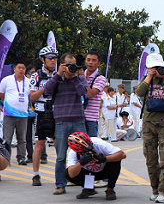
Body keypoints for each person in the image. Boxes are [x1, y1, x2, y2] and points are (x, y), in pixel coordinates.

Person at [135, 53, 164, 203]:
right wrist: (149, 76)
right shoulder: (146, 79)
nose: (156, 70)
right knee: (150, 157)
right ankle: (154, 189)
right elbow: (139, 93)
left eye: (158, 67)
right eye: (153, 67)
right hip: (148, 122)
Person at [43, 53, 88, 195]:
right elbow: (47, 90)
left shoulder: (80, 78)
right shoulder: (56, 79)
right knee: (61, 156)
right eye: (68, 65)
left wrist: (74, 77)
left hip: (78, 120)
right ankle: (60, 185)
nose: (71, 68)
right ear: (62, 65)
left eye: (73, 65)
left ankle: (87, 185)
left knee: (85, 154)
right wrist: (58, 74)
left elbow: (83, 92)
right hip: (61, 121)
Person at [65, 131, 126, 200]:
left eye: (90, 147)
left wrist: (103, 159)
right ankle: (89, 189)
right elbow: (71, 174)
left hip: (104, 170)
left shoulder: (98, 143)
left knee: (116, 160)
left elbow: (122, 155)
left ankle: (110, 189)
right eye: (84, 151)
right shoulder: (73, 153)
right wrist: (81, 163)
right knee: (67, 174)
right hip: (88, 173)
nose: (89, 151)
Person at [30, 46, 58, 186]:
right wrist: (45, 88)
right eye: (50, 58)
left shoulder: (59, 75)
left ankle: (61, 174)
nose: (53, 60)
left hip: (56, 112)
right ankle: (35, 175)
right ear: (43, 60)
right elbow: (33, 97)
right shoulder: (36, 75)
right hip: (41, 112)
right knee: (39, 144)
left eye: (55, 58)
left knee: (59, 144)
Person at [0, 62, 31, 166]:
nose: (21, 70)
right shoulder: (7, 80)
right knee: (7, 138)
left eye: (23, 68)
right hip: (9, 114)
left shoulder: (28, 81)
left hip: (23, 115)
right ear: (14, 69)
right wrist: (8, 104)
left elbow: (31, 95)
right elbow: (1, 93)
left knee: (22, 139)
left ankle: (21, 158)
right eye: (19, 68)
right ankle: (6, 158)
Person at [83, 51, 107, 137]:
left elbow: (89, 94)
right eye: (88, 60)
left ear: (98, 63)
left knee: (90, 144)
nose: (90, 62)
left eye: (93, 60)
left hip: (91, 119)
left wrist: (82, 78)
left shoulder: (100, 78)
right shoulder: (78, 75)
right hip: (77, 117)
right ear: (85, 61)